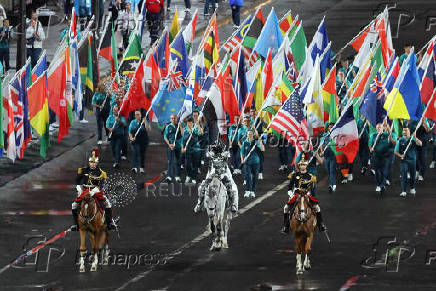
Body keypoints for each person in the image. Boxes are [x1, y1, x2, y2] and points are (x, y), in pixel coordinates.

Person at [71, 149, 115, 231]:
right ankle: (76, 224)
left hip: (96, 191)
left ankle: (109, 224)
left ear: (97, 163)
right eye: (91, 162)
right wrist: (79, 188)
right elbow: (77, 180)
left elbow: (102, 185)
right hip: (84, 191)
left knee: (107, 204)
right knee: (74, 205)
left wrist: (93, 191)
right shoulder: (83, 170)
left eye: (94, 162)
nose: (93, 164)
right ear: (89, 162)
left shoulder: (101, 173)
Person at [281, 157, 327, 234]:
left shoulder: (311, 176)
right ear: (299, 166)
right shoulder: (294, 175)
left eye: (304, 165)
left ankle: (321, 225)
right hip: (296, 194)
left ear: (306, 166)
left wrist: (310, 194)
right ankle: (286, 226)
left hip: (306, 194)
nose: (302, 166)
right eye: (301, 165)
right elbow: (289, 188)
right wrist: (291, 195)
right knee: (286, 208)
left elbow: (312, 188)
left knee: (317, 207)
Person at [194, 140, 238, 213]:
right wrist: (210, 150)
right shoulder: (211, 154)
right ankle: (199, 204)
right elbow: (207, 154)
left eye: (215, 148)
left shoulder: (225, 154)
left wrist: (222, 153)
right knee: (201, 187)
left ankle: (232, 204)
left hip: (222, 174)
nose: (214, 149)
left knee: (229, 186)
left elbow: (228, 155)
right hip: (213, 174)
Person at [369, 122, 396, 194]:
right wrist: (371, 148)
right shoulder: (373, 135)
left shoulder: (387, 135)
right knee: (377, 172)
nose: (378, 129)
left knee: (384, 171)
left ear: (383, 128)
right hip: (376, 156)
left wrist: (388, 128)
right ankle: (378, 184)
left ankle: (382, 185)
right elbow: (370, 144)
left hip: (385, 156)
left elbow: (393, 141)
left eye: (380, 128)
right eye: (377, 128)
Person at [394, 127, 422, 197]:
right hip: (404, 161)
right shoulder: (400, 140)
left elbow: (420, 144)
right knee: (404, 175)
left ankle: (412, 188)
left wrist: (415, 138)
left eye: (406, 130)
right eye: (403, 131)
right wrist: (400, 155)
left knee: (413, 175)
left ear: (409, 132)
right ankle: (403, 191)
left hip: (412, 160)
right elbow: (395, 151)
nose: (404, 132)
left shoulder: (413, 139)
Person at [240, 130, 265, 198]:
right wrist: (242, 160)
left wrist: (261, 142)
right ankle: (247, 191)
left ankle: (252, 191)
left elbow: (262, 149)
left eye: (251, 134)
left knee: (254, 177)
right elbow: (242, 152)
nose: (249, 135)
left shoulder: (256, 143)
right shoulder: (245, 143)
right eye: (248, 134)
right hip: (247, 162)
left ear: (253, 135)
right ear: (247, 135)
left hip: (256, 162)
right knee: (248, 176)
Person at [182, 117, 204, 184]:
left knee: (195, 165)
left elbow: (201, 133)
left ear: (193, 123)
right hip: (188, 150)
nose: (190, 124)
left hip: (196, 150)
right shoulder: (185, 130)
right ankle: (188, 175)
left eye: (191, 123)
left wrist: (198, 125)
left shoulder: (195, 129)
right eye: (188, 123)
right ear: (187, 123)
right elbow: (183, 140)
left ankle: (194, 177)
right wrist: (182, 147)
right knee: (188, 164)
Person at [164, 114, 183, 183]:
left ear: (177, 119)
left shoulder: (179, 125)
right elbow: (165, 137)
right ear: (170, 119)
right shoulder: (168, 127)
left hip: (178, 146)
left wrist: (180, 127)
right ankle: (169, 176)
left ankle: (177, 176)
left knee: (178, 161)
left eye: (174, 118)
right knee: (170, 161)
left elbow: (183, 134)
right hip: (171, 146)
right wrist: (169, 144)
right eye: (172, 118)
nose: (173, 119)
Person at [250, 108, 265, 180]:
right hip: (250, 141)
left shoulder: (259, 120)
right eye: (251, 111)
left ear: (256, 112)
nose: (252, 113)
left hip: (258, 141)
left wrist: (263, 122)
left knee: (260, 157)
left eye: (254, 111)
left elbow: (265, 127)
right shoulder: (248, 120)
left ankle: (260, 173)